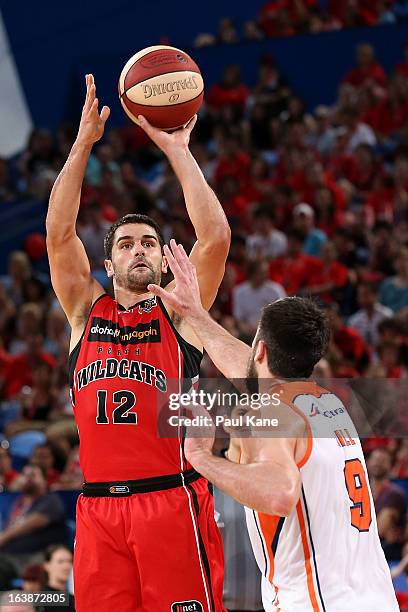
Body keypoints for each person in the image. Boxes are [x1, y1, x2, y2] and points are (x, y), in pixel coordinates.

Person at [45, 74, 230, 611]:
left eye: (149, 240)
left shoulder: (180, 312)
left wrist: (178, 151)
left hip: (170, 500)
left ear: (162, 254)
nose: (139, 249)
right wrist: (83, 144)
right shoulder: (85, 310)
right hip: (100, 512)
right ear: (108, 264)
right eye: (125, 243)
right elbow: (58, 234)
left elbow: (215, 238)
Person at [147, 239, 399, 612]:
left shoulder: (270, 413)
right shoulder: (327, 404)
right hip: (374, 599)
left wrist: (201, 457)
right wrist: (196, 315)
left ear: (261, 350)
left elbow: (280, 494)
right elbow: (252, 372)